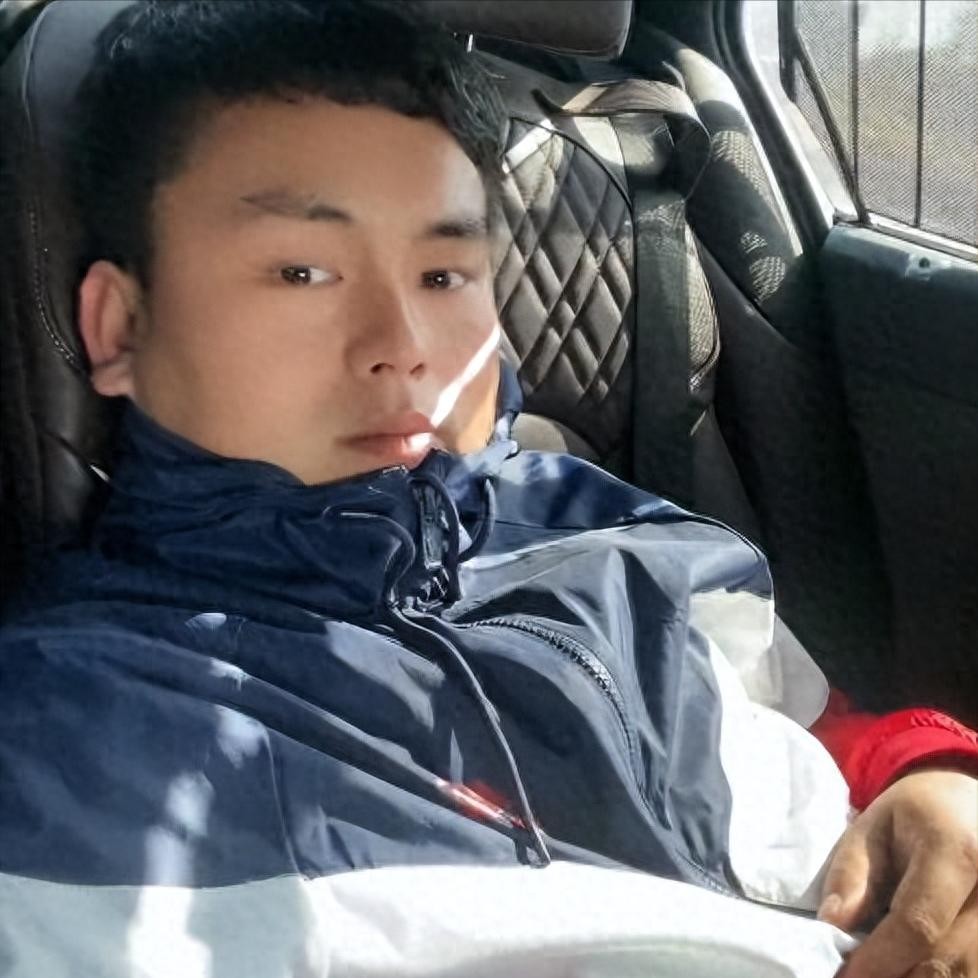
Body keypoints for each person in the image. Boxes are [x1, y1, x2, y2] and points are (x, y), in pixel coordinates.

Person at [0, 2, 975, 976]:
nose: (404, 348)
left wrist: (925, 773)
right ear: (119, 327)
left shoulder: (617, 535)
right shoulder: (76, 735)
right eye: (301, 271)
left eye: (444, 274)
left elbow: (805, 730)